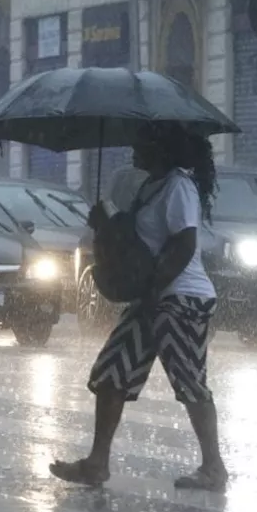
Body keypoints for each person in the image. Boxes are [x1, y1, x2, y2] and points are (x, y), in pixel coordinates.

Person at [50, 127, 226, 492]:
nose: (134, 149)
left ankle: (214, 468)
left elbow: (184, 245)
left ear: (162, 148)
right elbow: (137, 242)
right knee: (113, 372)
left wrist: (153, 294)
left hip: (181, 299)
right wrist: (105, 225)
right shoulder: (152, 186)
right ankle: (97, 463)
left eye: (142, 143)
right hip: (152, 297)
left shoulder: (179, 186)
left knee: (189, 379)